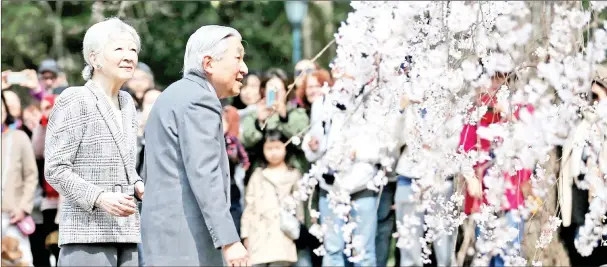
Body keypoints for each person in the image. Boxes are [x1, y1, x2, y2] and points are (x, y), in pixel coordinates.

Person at [141, 25, 249, 266]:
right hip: (186, 241)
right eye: (238, 58)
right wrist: (229, 240)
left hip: (166, 237)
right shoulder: (199, 100)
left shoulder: (175, 93)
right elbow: (205, 174)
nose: (244, 68)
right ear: (208, 63)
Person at [44, 17, 144, 266]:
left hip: (127, 232)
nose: (129, 56)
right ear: (94, 58)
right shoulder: (75, 99)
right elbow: (55, 169)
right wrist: (99, 197)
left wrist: (137, 183)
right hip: (86, 235)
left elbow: (125, 162)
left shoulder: (128, 104)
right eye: (119, 49)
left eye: (133, 50)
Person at [241, 129, 303, 267]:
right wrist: (245, 234)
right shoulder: (258, 174)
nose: (273, 152)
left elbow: (299, 207)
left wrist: (299, 228)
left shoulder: (293, 174)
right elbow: (249, 206)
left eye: (278, 147)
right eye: (269, 148)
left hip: (283, 234)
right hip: (258, 233)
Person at [1, 91, 39, 266]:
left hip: (12, 216)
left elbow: (31, 176)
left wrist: (23, 207)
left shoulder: (19, 137)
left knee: (20, 262)